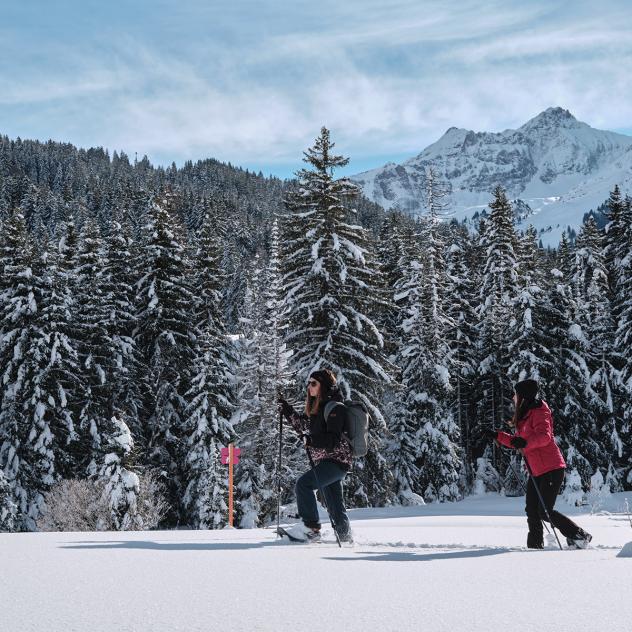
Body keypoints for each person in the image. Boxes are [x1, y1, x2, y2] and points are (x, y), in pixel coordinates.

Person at [485, 379, 592, 549]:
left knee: (544, 511)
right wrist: (497, 436)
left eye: (516, 394)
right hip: (536, 470)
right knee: (531, 510)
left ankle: (579, 535)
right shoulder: (525, 414)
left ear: (524, 396)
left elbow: (544, 437)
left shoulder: (539, 411)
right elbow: (518, 441)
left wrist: (525, 443)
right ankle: (535, 546)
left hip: (551, 467)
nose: (514, 397)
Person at [277, 369, 353, 543]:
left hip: (336, 461)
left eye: (313, 383)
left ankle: (311, 529)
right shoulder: (317, 410)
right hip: (326, 462)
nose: (309, 387)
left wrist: (311, 439)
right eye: (308, 383)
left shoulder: (336, 408)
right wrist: (287, 410)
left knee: (304, 484)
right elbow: (302, 427)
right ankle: (346, 538)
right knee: (334, 504)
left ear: (323, 385)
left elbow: (333, 439)